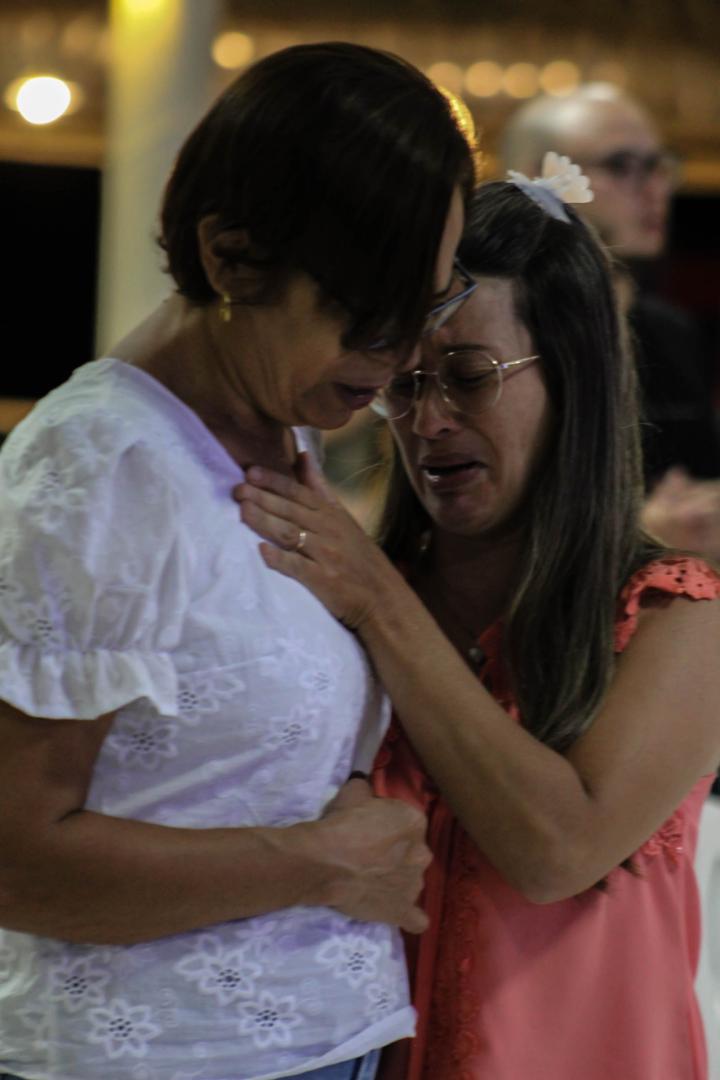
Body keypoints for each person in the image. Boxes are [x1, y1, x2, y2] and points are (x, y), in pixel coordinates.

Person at [0, 42, 478, 1080]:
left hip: (323, 1045)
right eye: (369, 315)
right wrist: (317, 864)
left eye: (427, 309)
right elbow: (15, 861)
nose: (402, 357)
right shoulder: (102, 465)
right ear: (231, 257)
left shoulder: (275, 423)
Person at [236, 156, 720, 1079]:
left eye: (468, 375)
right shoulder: (348, 604)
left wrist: (378, 600)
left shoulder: (675, 615)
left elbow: (558, 850)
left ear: (573, 376)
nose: (427, 422)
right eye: (405, 383)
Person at [500, 84, 720, 562]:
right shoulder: (504, 333)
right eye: (623, 165)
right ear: (541, 178)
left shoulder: (676, 331)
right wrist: (643, 530)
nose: (655, 190)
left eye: (659, 166)